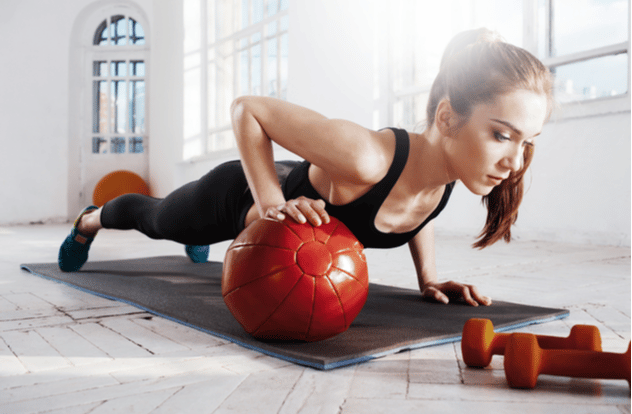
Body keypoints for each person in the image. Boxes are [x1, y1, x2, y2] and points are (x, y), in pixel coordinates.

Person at [58, 28, 553, 307]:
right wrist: (269, 203)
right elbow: (248, 109)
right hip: (239, 197)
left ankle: (198, 237)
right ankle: (90, 220)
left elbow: (417, 212)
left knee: (181, 227)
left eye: (527, 142)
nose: (514, 162)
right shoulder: (367, 157)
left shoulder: (444, 175)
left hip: (275, 215)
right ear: (447, 116)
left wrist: (429, 278)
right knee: (158, 218)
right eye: (501, 134)